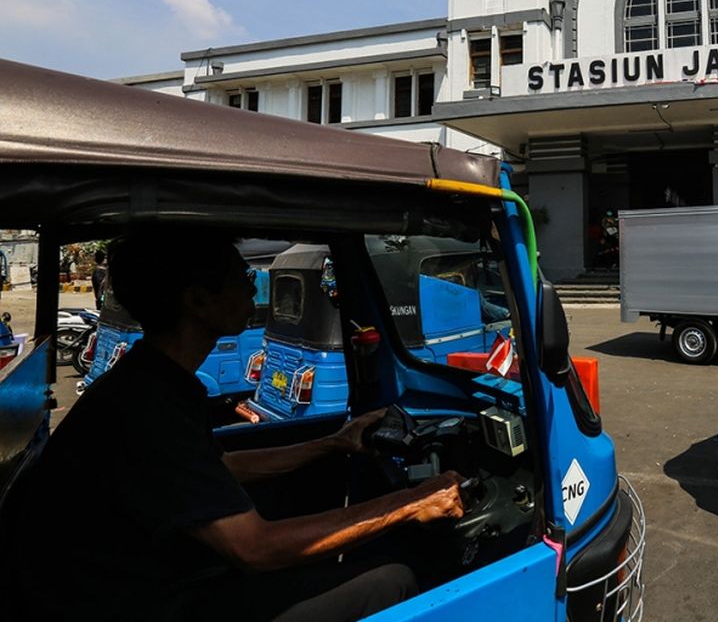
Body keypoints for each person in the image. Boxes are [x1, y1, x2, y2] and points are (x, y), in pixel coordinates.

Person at [8, 229, 464, 621]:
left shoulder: (154, 381)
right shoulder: (148, 405)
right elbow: (255, 548)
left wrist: (333, 444)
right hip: (142, 605)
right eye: (242, 280)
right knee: (393, 579)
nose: (252, 292)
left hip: (142, 583)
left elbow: (222, 467)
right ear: (199, 301)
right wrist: (410, 503)